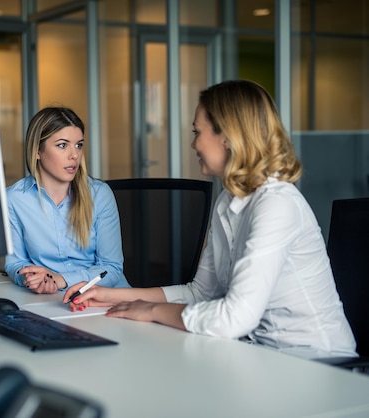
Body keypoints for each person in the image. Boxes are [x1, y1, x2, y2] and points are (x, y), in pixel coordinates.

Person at [63, 80, 357, 359]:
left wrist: (151, 310)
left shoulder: (277, 204)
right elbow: (200, 292)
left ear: (228, 136)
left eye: (197, 132)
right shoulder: (229, 200)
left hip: (316, 362)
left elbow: (234, 318)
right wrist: (109, 295)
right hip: (260, 353)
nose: (194, 145)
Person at [5, 106, 130, 294]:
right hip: (49, 300)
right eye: (63, 145)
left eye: (78, 145)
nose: (74, 155)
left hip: (106, 297)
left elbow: (111, 268)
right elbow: (15, 262)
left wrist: (61, 279)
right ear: (37, 151)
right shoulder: (14, 199)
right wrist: (32, 278)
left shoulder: (100, 194)